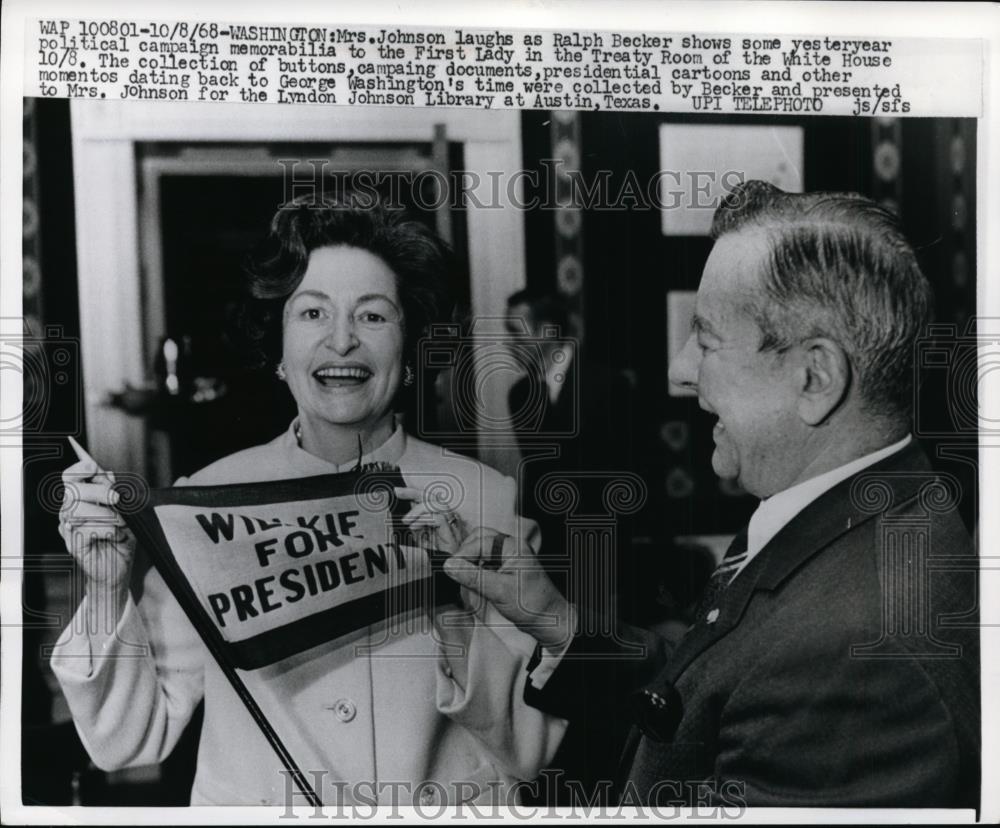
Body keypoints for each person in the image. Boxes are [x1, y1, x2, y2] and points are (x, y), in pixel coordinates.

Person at [445, 180, 980, 808]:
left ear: (815, 377)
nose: (678, 367)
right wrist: (554, 620)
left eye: (706, 339)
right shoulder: (845, 512)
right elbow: (713, 684)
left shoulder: (864, 658)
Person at [52, 194, 565, 806]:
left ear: (410, 352)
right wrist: (108, 590)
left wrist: (452, 604)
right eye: (312, 313)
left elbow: (531, 751)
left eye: (373, 316)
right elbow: (129, 740)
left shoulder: (487, 499)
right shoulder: (205, 505)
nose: (342, 341)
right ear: (278, 349)